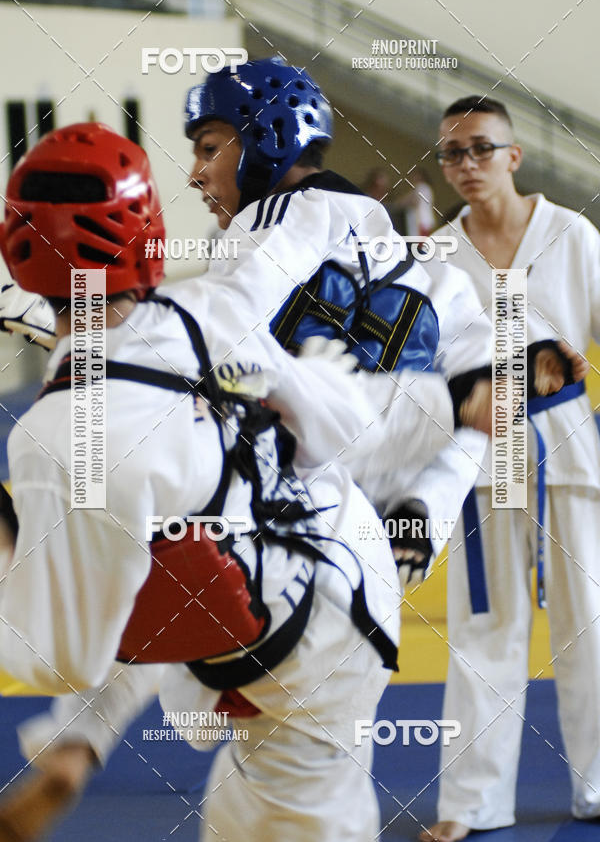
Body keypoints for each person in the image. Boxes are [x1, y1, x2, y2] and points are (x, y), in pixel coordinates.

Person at [0, 121, 463, 842]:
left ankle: (80, 736)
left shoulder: (51, 443)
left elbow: (66, 654)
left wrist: (11, 542)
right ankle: (81, 735)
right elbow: (289, 258)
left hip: (306, 637)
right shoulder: (207, 306)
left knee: (285, 802)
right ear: (150, 239)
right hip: (320, 561)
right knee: (156, 561)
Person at [420, 96, 600, 842]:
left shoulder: (571, 235)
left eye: (481, 149)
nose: (466, 165)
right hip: (481, 456)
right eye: (452, 153)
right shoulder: (436, 255)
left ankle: (597, 785)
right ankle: (473, 800)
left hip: (566, 450)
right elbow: (422, 361)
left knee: (590, 622)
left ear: (514, 155)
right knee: (484, 624)